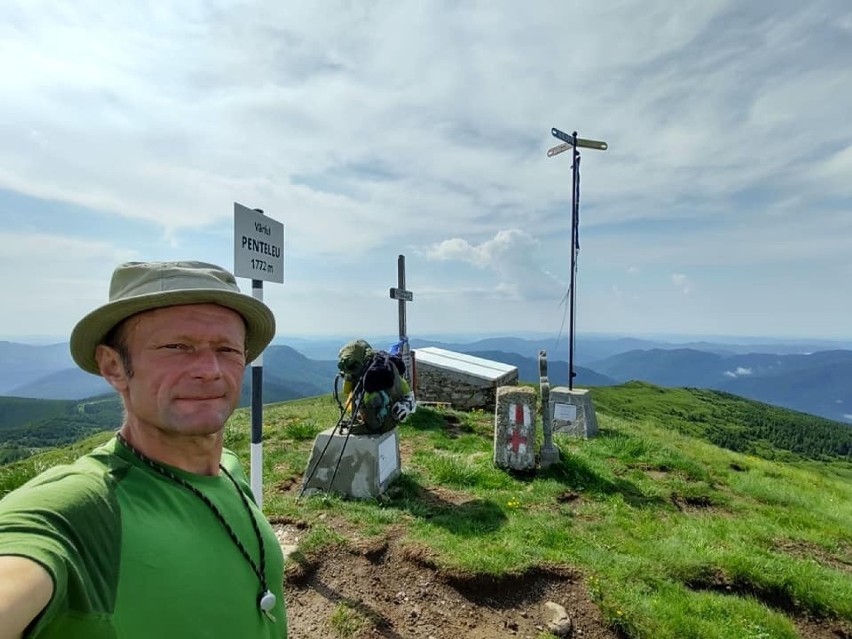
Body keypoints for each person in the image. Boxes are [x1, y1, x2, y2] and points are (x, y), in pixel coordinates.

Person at [0, 261, 288, 638]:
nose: (210, 369)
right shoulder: (84, 508)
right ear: (114, 366)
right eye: (177, 347)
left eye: (227, 349)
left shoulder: (228, 469)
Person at [336, 339, 416, 435]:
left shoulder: (368, 373)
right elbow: (405, 389)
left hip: (375, 424)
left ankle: (370, 419)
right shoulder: (386, 364)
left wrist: (348, 378)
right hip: (390, 419)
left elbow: (346, 390)